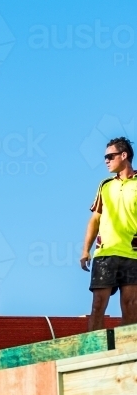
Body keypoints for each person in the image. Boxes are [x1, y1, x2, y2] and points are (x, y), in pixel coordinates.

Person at [81, 137, 137, 329]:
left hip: (133, 254)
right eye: (105, 157)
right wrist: (85, 251)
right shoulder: (105, 185)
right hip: (105, 254)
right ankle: (93, 352)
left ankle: (128, 350)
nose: (106, 160)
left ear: (124, 155)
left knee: (131, 306)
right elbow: (95, 220)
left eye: (110, 156)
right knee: (98, 305)